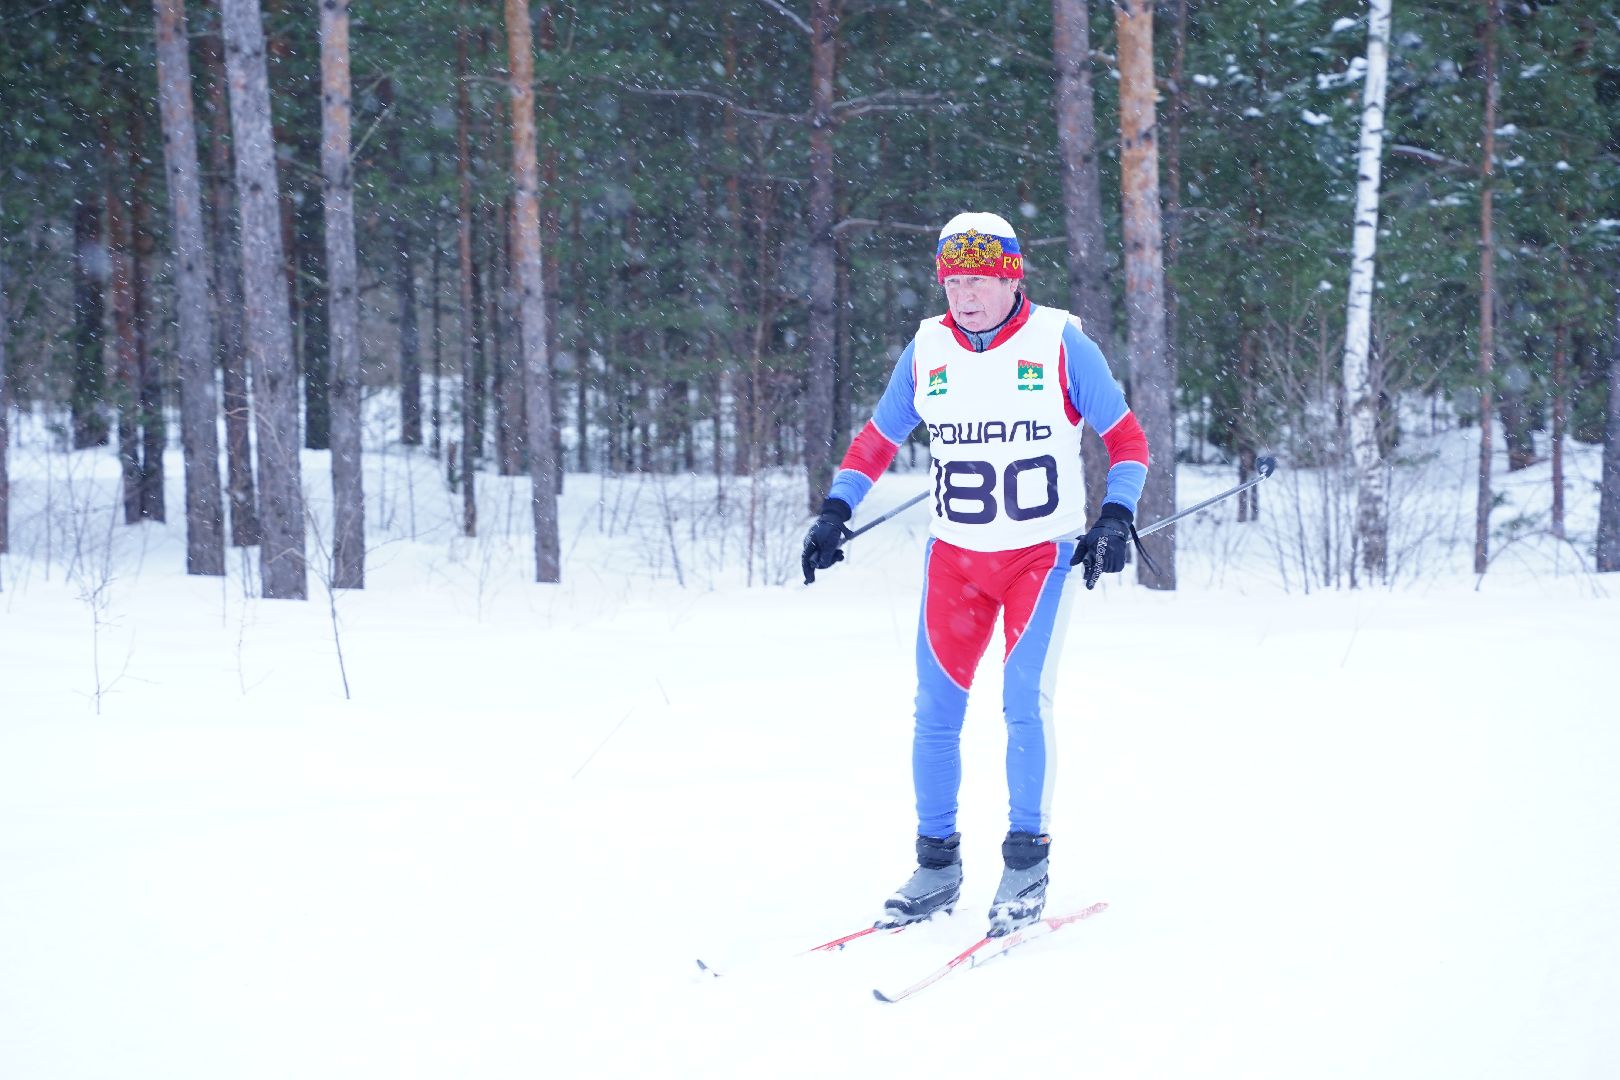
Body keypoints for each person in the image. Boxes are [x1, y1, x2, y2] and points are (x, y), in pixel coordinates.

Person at [801, 211, 1150, 937]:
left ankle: (1026, 860)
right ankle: (936, 865)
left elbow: (1127, 439)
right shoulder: (927, 350)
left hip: (1038, 557)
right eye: (953, 280)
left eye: (979, 279)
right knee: (935, 713)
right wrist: (836, 509)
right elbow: (876, 440)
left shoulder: (1060, 342)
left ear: (1010, 276)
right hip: (954, 560)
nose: (965, 295)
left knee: (1024, 701)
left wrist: (1116, 516)